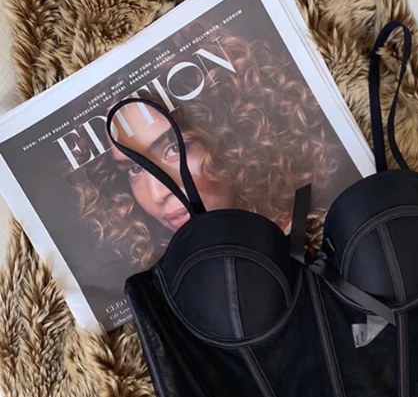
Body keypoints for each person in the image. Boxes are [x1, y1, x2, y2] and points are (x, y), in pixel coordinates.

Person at [73, 33, 358, 268]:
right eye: (135, 169)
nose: (158, 194)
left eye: (175, 148)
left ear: (235, 136)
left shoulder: (326, 244)